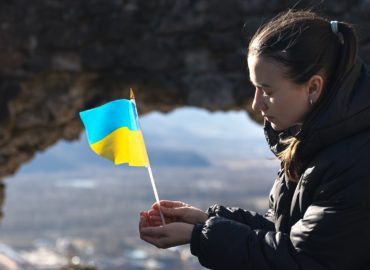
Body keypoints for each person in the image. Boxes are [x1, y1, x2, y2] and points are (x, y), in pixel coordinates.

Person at [139, 9, 370, 270]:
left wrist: (200, 237)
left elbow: (305, 260)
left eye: (267, 91)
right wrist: (204, 221)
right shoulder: (312, 140)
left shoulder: (356, 160)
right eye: (255, 87)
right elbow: (288, 232)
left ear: (313, 87)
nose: (256, 103)